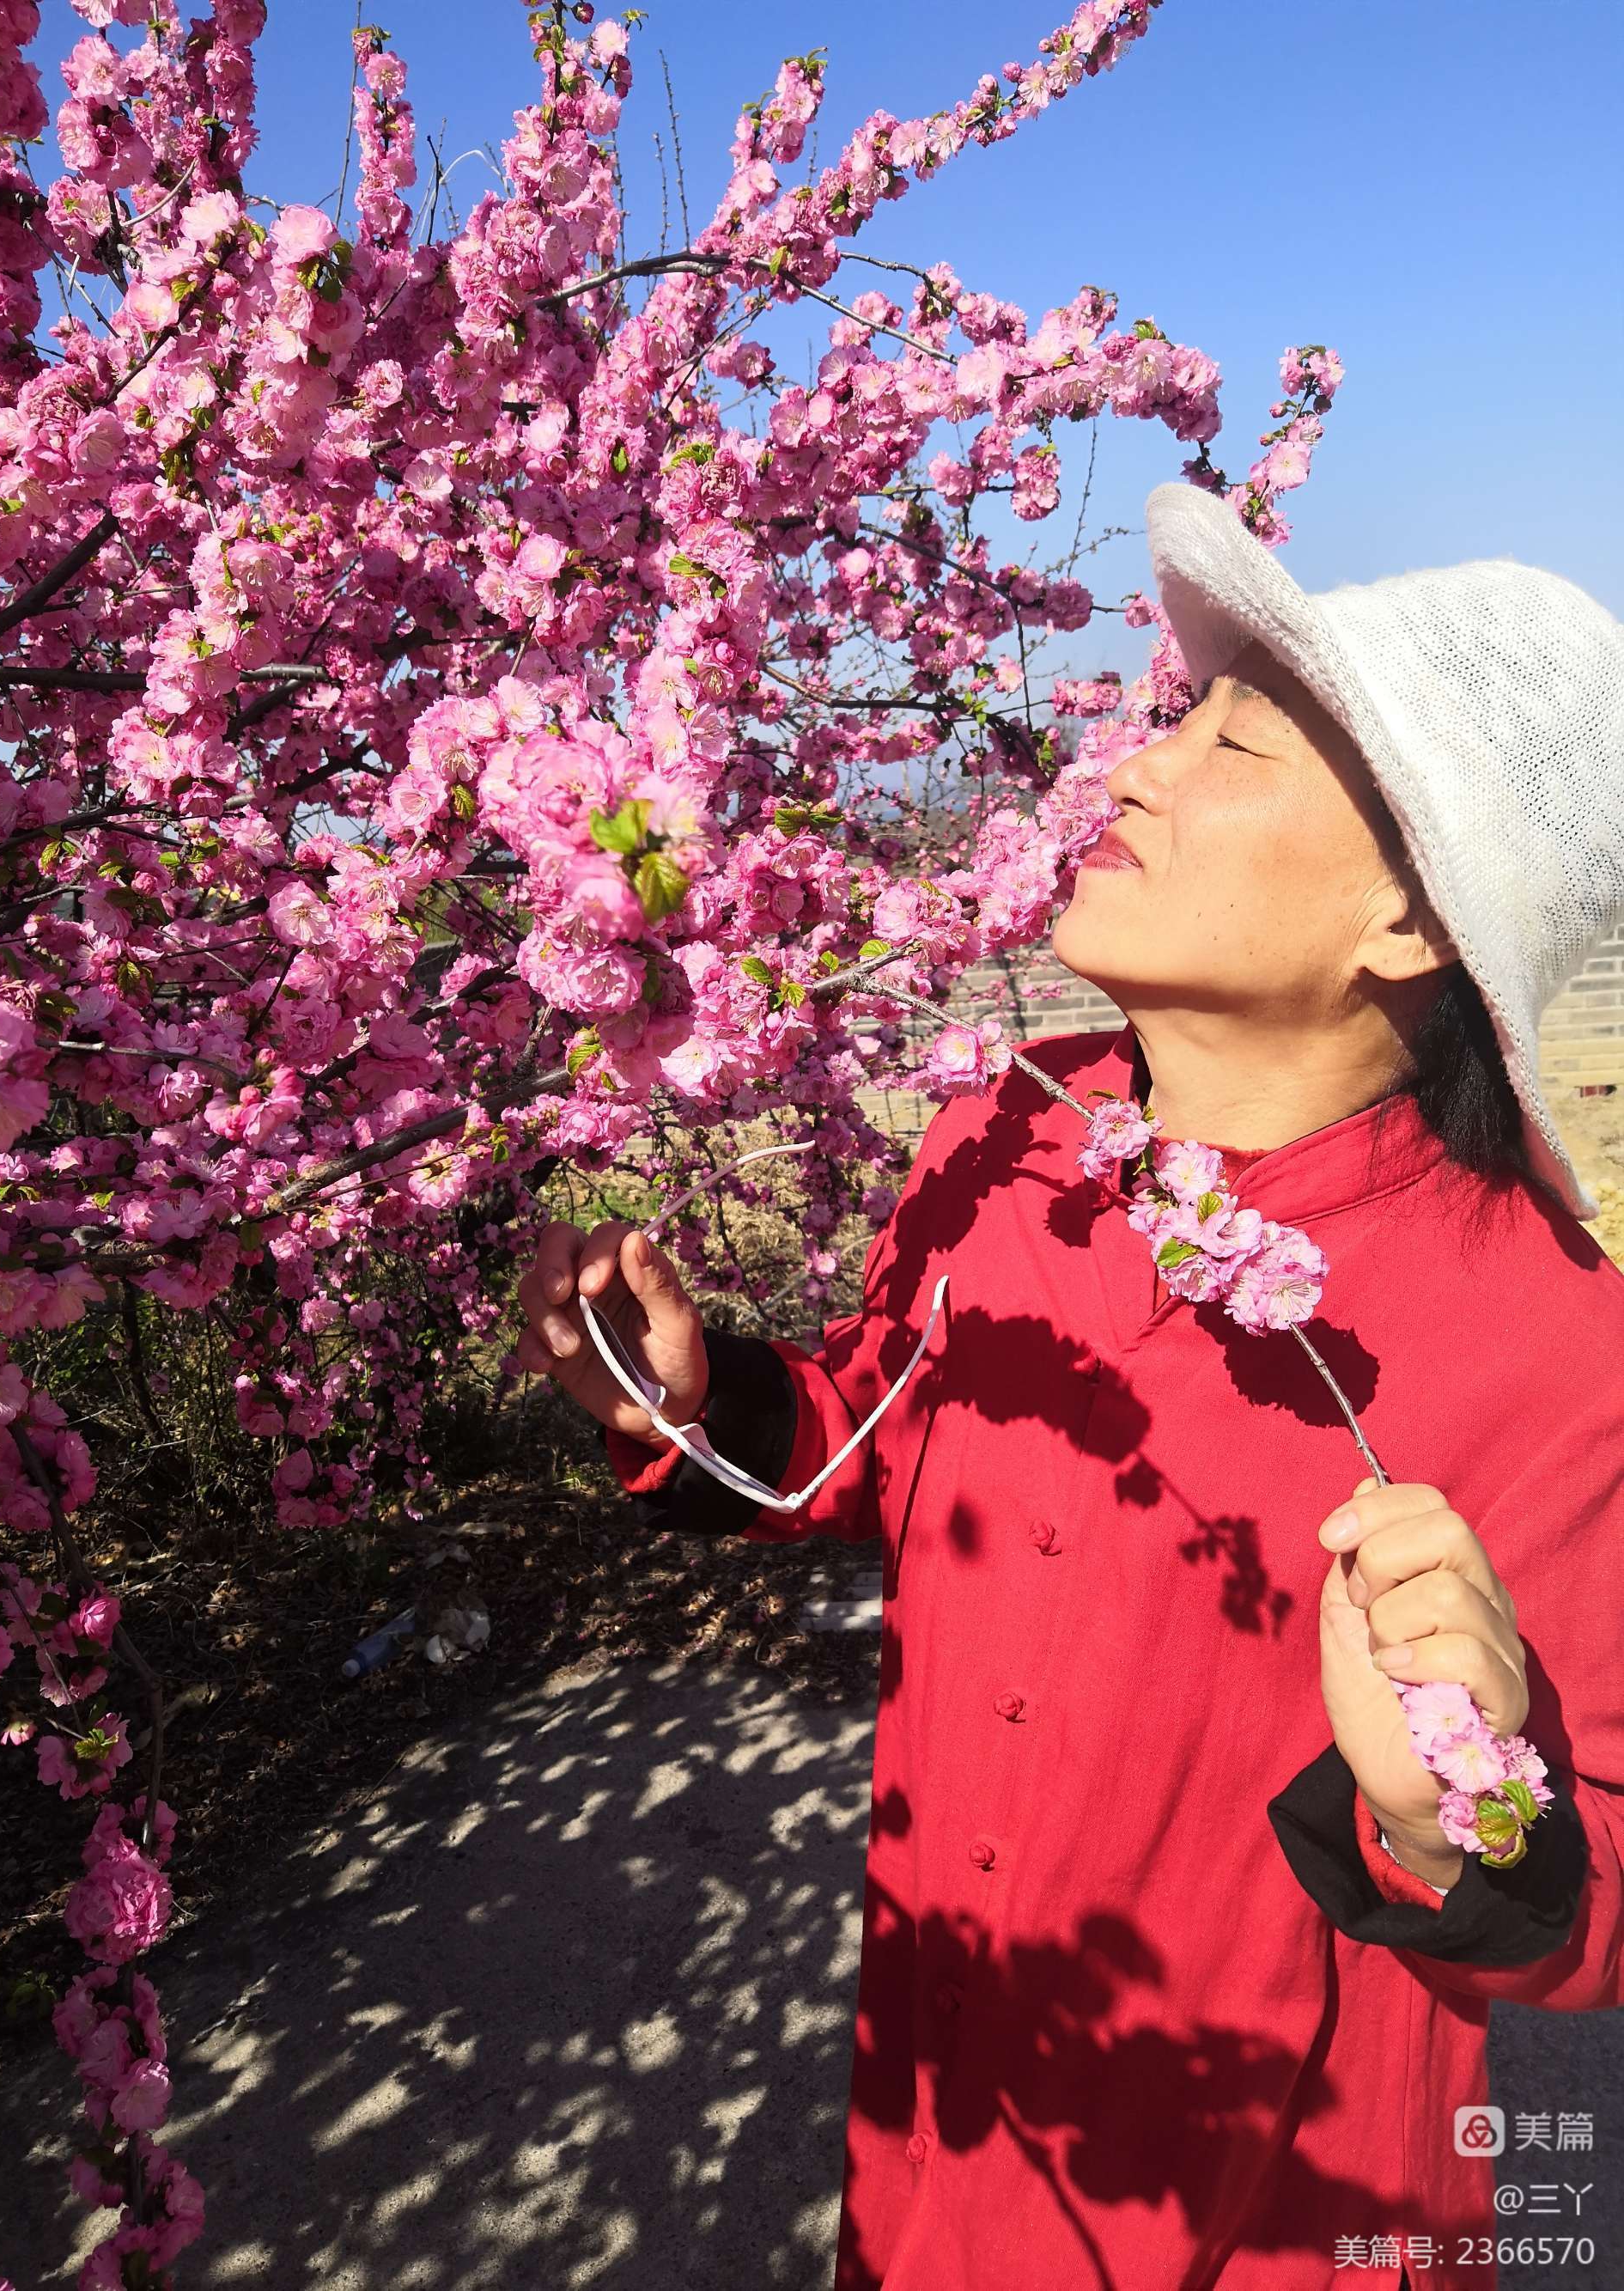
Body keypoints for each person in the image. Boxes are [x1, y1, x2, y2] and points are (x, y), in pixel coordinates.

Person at [514, 482, 1624, 2290]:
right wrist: (699, 1405)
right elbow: (879, 1433)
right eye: (1172, 719)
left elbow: (1588, 1924)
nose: (1133, 771)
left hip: (1271, 2220)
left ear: (1409, 926)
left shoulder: (1561, 1349)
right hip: (940, 2132)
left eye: (1235, 744)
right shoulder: (1004, 1133)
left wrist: (1458, 1803)